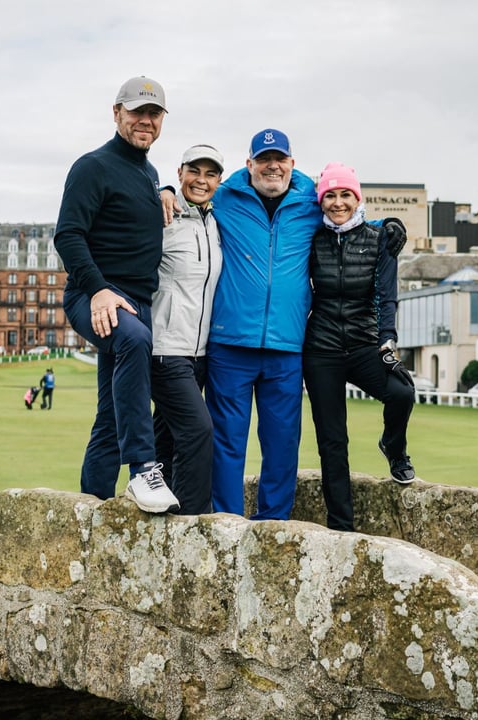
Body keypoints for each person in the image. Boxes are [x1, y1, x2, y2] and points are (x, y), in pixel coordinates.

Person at [52, 75, 179, 514]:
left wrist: (166, 190)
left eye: (154, 113)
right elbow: (68, 236)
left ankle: (92, 509)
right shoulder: (92, 166)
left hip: (137, 301)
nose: (146, 120)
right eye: (137, 112)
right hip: (93, 296)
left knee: (111, 415)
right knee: (134, 340)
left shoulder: (149, 173)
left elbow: (139, 198)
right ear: (117, 113)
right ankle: (143, 469)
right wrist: (99, 289)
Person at [203, 129, 322, 520]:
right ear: (249, 163)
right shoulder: (224, 197)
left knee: (283, 443)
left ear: (292, 163)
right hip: (230, 344)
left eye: (280, 158)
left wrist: (387, 223)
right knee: (226, 442)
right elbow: (190, 193)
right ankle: (227, 525)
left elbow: (348, 215)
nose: (273, 166)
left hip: (286, 347)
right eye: (264, 158)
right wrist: (166, 190)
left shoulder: (312, 202)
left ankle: (273, 524)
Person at [302, 162, 415, 532]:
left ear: (357, 198)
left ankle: (394, 448)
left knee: (401, 392)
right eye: (330, 195)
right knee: (332, 441)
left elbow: (387, 296)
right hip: (321, 350)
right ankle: (341, 525)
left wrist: (387, 341)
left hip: (364, 343)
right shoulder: (311, 237)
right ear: (321, 201)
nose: (338, 202)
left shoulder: (381, 238)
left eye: (345, 194)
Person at [150, 144, 225, 515]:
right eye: (194, 171)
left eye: (210, 174)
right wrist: (161, 191)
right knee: (198, 431)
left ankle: (157, 515)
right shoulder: (162, 213)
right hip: (165, 349)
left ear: (219, 181)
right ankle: (193, 520)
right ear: (179, 173)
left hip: (200, 354)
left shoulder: (216, 220)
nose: (201, 180)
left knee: (165, 435)